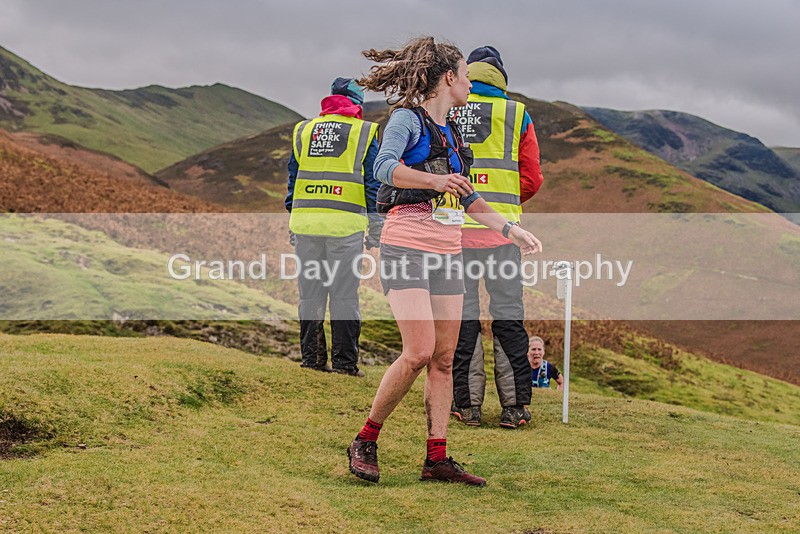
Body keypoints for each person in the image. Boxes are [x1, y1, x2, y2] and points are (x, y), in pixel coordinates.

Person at [346, 37, 542, 487]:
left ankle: (437, 457)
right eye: (466, 74)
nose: (471, 81)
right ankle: (365, 439)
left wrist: (510, 230)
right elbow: (383, 167)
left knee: (444, 358)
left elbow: (467, 195)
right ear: (449, 78)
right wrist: (434, 182)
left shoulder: (453, 132)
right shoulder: (405, 119)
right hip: (406, 246)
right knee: (417, 353)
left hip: (448, 252)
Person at [449, 45, 545, 429]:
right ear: (501, 77)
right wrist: (499, 207)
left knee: (463, 319)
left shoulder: (449, 106)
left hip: (454, 232)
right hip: (503, 236)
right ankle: (515, 407)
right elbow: (532, 178)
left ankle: (468, 406)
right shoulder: (517, 114)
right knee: (508, 319)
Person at [285, 77, 381, 376]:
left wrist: (294, 218)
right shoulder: (363, 132)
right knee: (343, 296)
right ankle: (344, 364)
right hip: (345, 228)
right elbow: (372, 184)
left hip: (306, 224)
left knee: (310, 295)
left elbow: (293, 180)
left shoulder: (304, 130)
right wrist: (376, 227)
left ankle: (312, 361)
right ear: (356, 103)